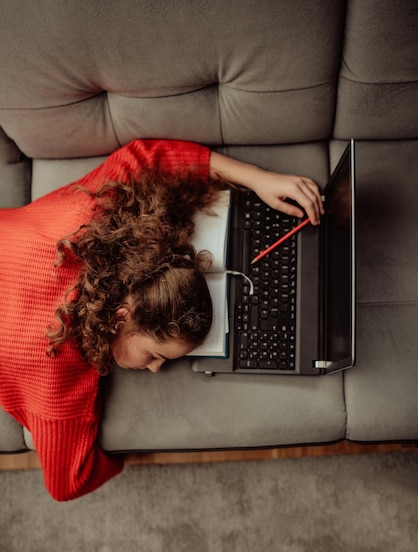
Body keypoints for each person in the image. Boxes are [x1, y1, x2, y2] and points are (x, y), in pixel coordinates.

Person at [0, 139, 323, 500]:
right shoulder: (58, 370)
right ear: (121, 316)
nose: (155, 369)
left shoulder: (89, 215)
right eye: (154, 354)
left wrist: (259, 179)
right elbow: (67, 484)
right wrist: (125, 459)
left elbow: (145, 157)